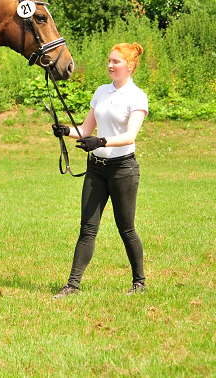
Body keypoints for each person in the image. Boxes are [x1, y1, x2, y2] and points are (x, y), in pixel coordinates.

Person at [52, 42, 148, 298]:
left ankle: (139, 282)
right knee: (87, 228)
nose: (110, 65)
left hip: (123, 170)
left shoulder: (137, 96)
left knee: (126, 228)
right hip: (96, 169)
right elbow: (85, 131)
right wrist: (66, 130)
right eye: (109, 60)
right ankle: (72, 285)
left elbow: (129, 136)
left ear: (130, 65)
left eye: (116, 61)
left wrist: (101, 141)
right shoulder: (102, 92)